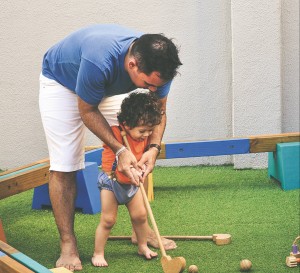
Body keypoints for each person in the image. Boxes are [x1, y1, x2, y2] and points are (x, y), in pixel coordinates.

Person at [39, 24, 182, 271]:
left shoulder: (158, 73)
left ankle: (142, 231)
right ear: (132, 65)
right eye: (148, 85)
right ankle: (68, 243)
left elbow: (159, 112)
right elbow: (87, 110)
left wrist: (154, 148)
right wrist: (120, 150)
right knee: (65, 163)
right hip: (61, 82)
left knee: (139, 137)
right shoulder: (100, 60)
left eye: (158, 86)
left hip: (101, 85)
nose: (153, 91)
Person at [92, 92, 162, 267]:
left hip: (132, 184)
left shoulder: (144, 138)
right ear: (127, 124)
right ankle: (98, 253)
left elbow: (142, 158)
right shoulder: (116, 133)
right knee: (108, 220)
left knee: (140, 216)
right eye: (142, 131)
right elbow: (115, 159)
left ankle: (142, 246)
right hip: (111, 182)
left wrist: (143, 167)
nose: (146, 135)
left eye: (150, 131)